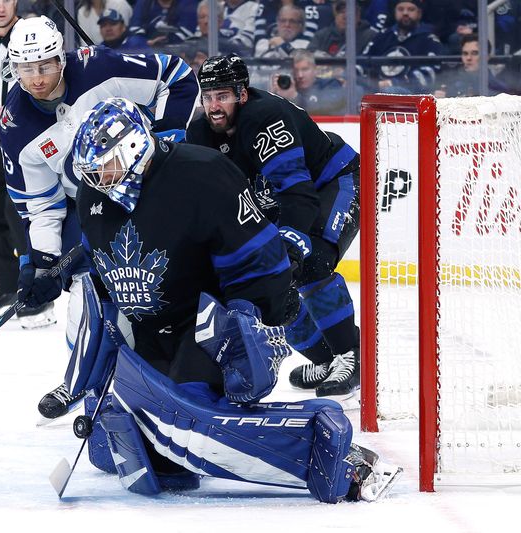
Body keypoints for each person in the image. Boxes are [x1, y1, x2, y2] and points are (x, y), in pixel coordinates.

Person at [69, 97, 401, 502]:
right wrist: (55, 270)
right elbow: (99, 268)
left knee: (189, 422)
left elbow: (258, 251)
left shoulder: (203, 173)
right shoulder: (96, 195)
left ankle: (338, 450)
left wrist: (254, 318)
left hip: (211, 323)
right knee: (160, 445)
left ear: (135, 149)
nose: (97, 178)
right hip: (154, 326)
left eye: (105, 166)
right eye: (91, 170)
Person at [0, 15, 200, 419]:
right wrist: (42, 262)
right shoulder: (15, 126)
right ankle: (87, 380)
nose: (36, 79)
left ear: (61, 58)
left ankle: (172, 371)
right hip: (88, 203)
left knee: (163, 280)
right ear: (13, 69)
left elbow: (177, 77)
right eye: (25, 69)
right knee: (88, 290)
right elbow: (41, 206)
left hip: (150, 184)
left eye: (45, 66)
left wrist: (168, 145)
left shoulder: (101, 68)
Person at [187, 53, 361, 399]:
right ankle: (328, 360)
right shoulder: (199, 132)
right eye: (207, 97)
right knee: (270, 286)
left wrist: (295, 244)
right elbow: (206, 201)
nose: (214, 106)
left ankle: (352, 356)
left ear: (242, 94)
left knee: (311, 264)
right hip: (279, 201)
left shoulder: (266, 119)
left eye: (222, 95)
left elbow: (299, 193)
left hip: (335, 182)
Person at [0, 0, 55, 327]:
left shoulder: (30, 33)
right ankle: (9, 288)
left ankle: (37, 292)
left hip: (31, 138)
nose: (1, 6)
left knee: (15, 211)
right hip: (1, 140)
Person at [361, 0, 445, 94]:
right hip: (377, 87)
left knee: (389, 92)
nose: (405, 13)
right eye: (400, 9)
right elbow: (363, 61)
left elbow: (430, 72)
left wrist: (395, 82)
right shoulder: (383, 36)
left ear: (419, 13)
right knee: (351, 90)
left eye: (411, 9)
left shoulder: (429, 40)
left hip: (412, 92)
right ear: (394, 12)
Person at [271, 50, 345, 116]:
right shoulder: (286, 87)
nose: (300, 75)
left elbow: (324, 111)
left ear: (315, 70)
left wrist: (295, 97)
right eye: (296, 70)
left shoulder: (330, 85)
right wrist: (273, 94)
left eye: (305, 69)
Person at [434, 34, 509, 98]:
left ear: (487, 57)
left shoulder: (500, 91)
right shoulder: (448, 86)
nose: (468, 58)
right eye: (465, 53)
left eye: (474, 53)